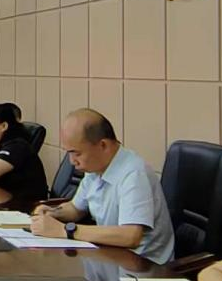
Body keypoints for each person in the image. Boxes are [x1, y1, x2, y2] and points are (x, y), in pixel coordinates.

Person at [30, 108, 175, 264]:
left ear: (103, 145)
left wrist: (65, 230)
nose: (72, 161)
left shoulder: (133, 174)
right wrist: (51, 213)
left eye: (77, 153)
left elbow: (130, 236)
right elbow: (76, 209)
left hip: (143, 268)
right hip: (109, 257)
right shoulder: (95, 169)